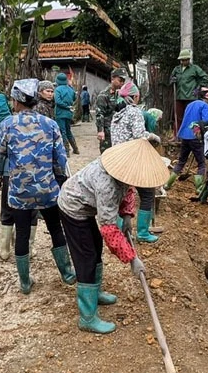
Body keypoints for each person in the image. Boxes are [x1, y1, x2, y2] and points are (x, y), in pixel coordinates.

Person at [57, 139, 168, 334]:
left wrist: (126, 214)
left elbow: (127, 190)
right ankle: (87, 317)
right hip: (73, 208)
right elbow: (109, 230)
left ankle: (96, 292)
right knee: (86, 257)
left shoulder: (122, 172)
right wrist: (132, 258)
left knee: (95, 248)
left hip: (86, 205)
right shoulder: (106, 183)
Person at [0, 79, 76, 293]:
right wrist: (62, 182)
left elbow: (0, 155)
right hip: (47, 190)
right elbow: (61, 159)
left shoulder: (7, 124)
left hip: (19, 192)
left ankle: (24, 282)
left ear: (16, 100)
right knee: (55, 228)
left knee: (21, 233)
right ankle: (67, 273)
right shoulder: (50, 124)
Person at [110, 82, 162, 243]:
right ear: (135, 97)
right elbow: (140, 135)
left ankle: (119, 232)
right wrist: (154, 137)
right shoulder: (134, 112)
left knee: (122, 195)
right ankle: (143, 233)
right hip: (133, 159)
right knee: (147, 193)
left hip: (118, 160)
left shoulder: (117, 114)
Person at [163, 87, 208, 192]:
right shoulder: (204, 105)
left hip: (185, 135)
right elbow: (206, 120)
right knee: (201, 163)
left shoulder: (189, 105)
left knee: (181, 161)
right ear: (204, 96)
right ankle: (199, 188)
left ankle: (168, 184)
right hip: (195, 135)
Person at [170, 49, 208, 134]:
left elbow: (205, 78)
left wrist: (198, 88)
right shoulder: (177, 69)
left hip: (191, 97)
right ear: (180, 60)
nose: (185, 61)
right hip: (179, 96)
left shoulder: (195, 68)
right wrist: (173, 80)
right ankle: (177, 135)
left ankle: (191, 135)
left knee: (190, 117)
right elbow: (171, 80)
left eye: (186, 60)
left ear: (189, 59)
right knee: (178, 117)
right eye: (183, 60)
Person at [95, 68, 127, 153]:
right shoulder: (103, 95)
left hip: (115, 130)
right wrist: (100, 131)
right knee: (106, 155)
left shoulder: (117, 94)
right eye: (120, 80)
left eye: (123, 81)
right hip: (107, 132)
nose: (122, 83)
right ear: (112, 79)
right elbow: (99, 114)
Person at [54, 73, 79, 155]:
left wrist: (65, 106)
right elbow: (75, 98)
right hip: (69, 114)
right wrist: (69, 106)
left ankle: (66, 151)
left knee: (62, 131)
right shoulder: (70, 89)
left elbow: (57, 101)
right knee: (68, 131)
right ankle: (75, 149)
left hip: (60, 113)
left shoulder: (57, 89)